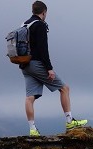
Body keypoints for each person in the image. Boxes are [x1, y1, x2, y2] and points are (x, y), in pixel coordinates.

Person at [20, 1, 87, 137]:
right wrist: (49, 68)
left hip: (24, 65)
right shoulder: (40, 25)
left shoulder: (24, 25)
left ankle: (32, 129)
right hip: (37, 64)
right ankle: (69, 121)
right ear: (44, 12)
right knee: (64, 88)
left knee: (30, 97)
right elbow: (43, 49)